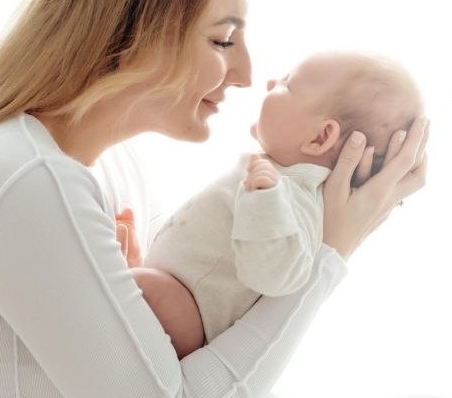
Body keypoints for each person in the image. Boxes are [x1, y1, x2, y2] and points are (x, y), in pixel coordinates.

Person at [0, 0, 428, 398]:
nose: (245, 75)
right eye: (223, 40)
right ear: (132, 34)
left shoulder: (111, 169)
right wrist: (330, 253)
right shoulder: (25, 179)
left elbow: (184, 346)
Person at [138, 51, 425, 357]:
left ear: (320, 138)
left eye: (287, 85)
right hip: (171, 288)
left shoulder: (297, 200)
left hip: (185, 312)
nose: (270, 83)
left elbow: (275, 276)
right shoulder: (282, 180)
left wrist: (265, 201)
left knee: (130, 286)